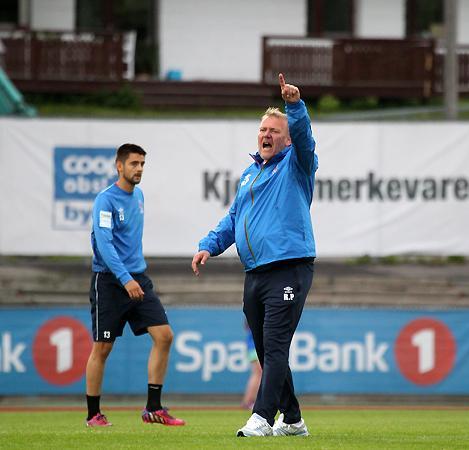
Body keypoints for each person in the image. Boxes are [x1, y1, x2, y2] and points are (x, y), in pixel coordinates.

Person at [191, 73, 316, 437]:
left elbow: (305, 138)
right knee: (265, 350)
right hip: (255, 273)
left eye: (274, 131)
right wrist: (209, 244)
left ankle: (261, 416)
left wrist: (295, 106)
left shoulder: (297, 164)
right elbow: (234, 219)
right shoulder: (250, 174)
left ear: (287, 139)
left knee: (274, 347)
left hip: (288, 268)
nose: (266, 134)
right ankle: (292, 420)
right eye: (263, 129)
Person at [85, 143, 185, 427]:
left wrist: (133, 278)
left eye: (142, 164)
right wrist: (124, 278)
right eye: (134, 163)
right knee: (102, 348)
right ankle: (93, 414)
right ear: (119, 166)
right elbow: (104, 244)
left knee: (164, 336)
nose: (139, 168)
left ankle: (153, 409)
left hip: (137, 278)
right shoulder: (105, 200)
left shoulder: (138, 196)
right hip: (110, 281)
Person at [241, 320, 262, 410]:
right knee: (258, 373)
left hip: (254, 346)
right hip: (255, 346)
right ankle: (248, 401)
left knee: (258, 373)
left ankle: (249, 401)